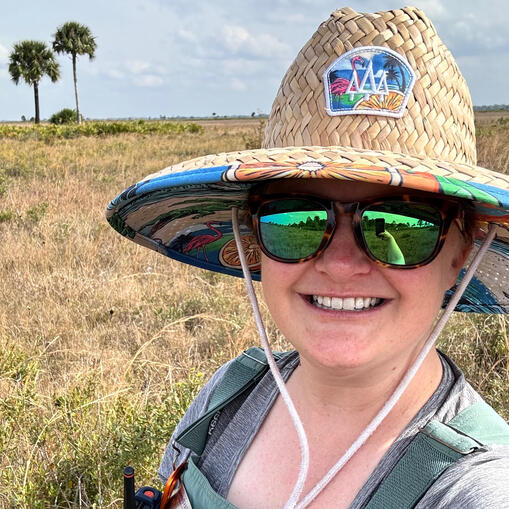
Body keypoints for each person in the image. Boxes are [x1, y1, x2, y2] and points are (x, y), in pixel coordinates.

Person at [106, 6, 509, 508]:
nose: (341, 263)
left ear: (462, 252)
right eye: (296, 219)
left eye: (400, 226)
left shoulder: (477, 490)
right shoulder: (228, 396)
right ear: (253, 237)